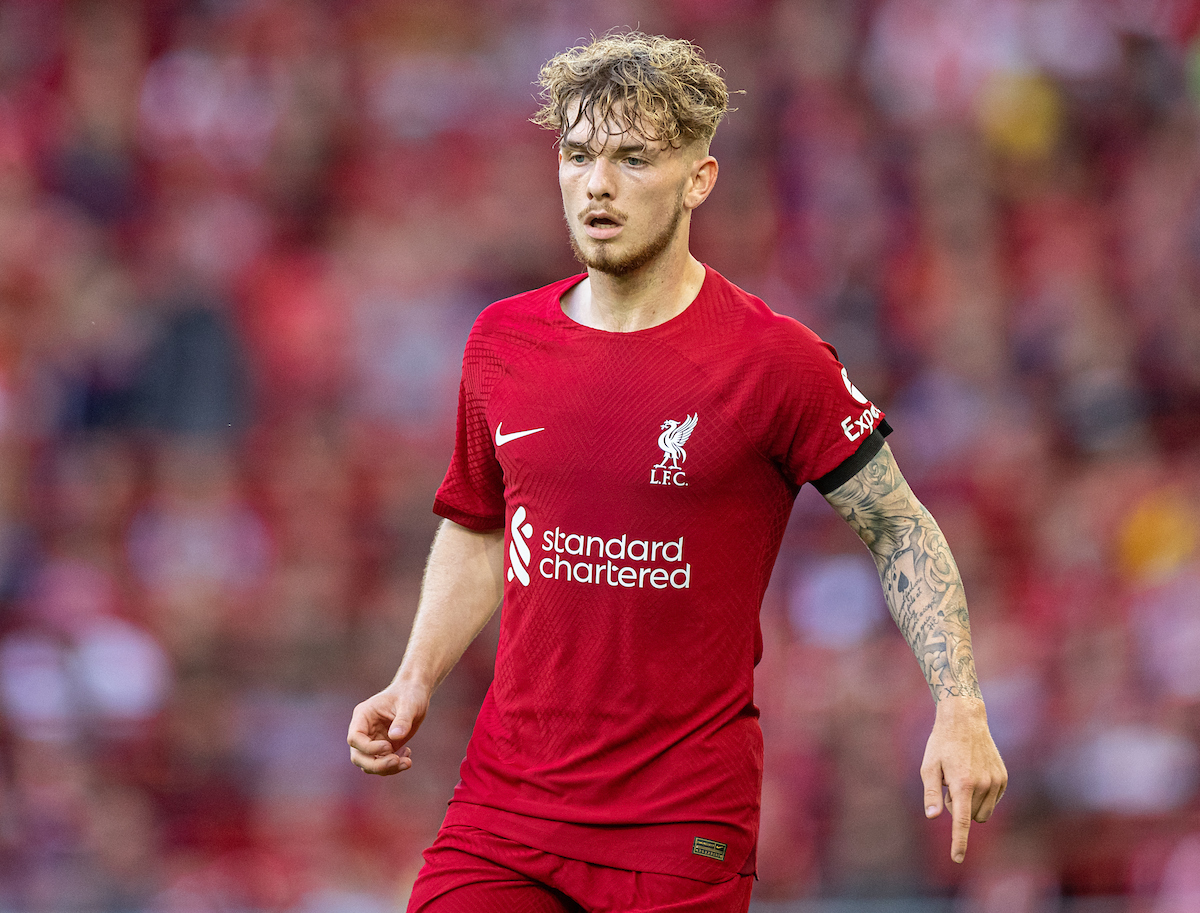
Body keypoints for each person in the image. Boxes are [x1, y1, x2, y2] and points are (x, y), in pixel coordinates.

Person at [348, 31, 1007, 913]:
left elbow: (899, 526)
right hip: (508, 809)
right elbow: (480, 521)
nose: (598, 183)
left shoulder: (775, 361)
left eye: (631, 158)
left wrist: (959, 702)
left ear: (698, 179)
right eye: (578, 155)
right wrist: (416, 676)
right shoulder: (501, 342)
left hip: (677, 827)